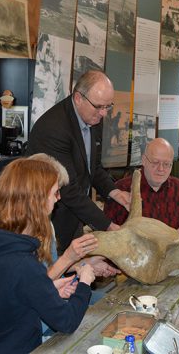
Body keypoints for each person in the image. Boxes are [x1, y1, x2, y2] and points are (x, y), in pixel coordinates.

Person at [0, 158, 97, 353]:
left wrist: (47, 289)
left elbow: (3, 292)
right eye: (55, 192)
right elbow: (66, 321)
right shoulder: (23, 263)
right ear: (37, 200)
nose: (58, 198)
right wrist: (85, 284)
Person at [26, 70, 131, 255]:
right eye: (99, 106)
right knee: (54, 272)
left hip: (74, 216)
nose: (104, 113)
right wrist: (108, 225)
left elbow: (93, 167)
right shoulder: (54, 129)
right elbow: (68, 189)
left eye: (108, 106)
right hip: (49, 219)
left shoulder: (93, 117)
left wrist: (114, 191)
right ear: (78, 98)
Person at [104, 138, 179, 240]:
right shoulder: (121, 190)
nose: (161, 169)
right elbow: (107, 230)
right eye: (155, 162)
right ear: (144, 160)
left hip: (172, 253)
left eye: (167, 164)